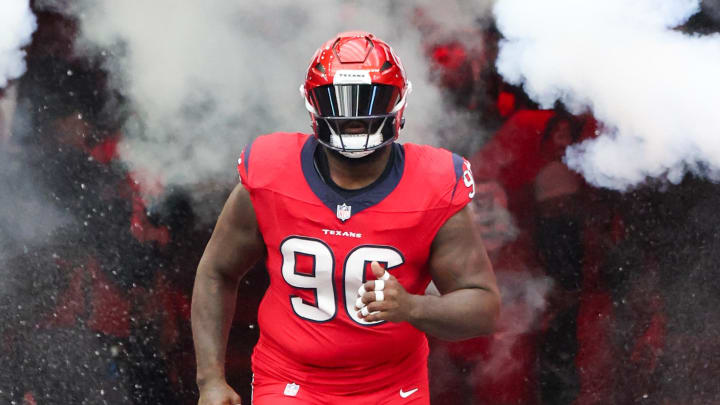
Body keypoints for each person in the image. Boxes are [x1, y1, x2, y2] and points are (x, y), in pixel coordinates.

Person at [191, 31, 501, 405]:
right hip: (292, 379)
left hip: (392, 385)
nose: (355, 117)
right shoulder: (271, 172)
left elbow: (484, 307)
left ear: (398, 103)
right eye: (339, 101)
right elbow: (217, 271)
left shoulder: (434, 184)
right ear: (313, 104)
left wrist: (413, 307)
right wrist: (210, 379)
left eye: (369, 100)